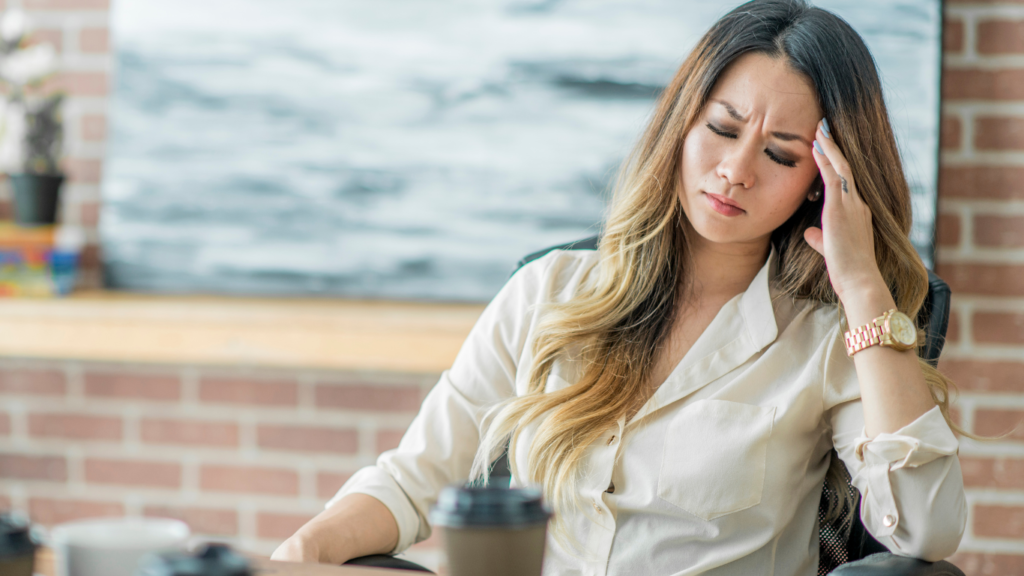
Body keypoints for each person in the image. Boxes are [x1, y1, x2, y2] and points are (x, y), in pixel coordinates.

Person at [272, 1, 966, 573]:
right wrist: (301, 553)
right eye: (721, 129)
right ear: (681, 125)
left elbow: (925, 535)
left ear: (823, 184)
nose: (734, 170)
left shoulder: (825, 342)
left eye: (780, 153)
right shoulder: (548, 292)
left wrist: (864, 288)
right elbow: (412, 480)